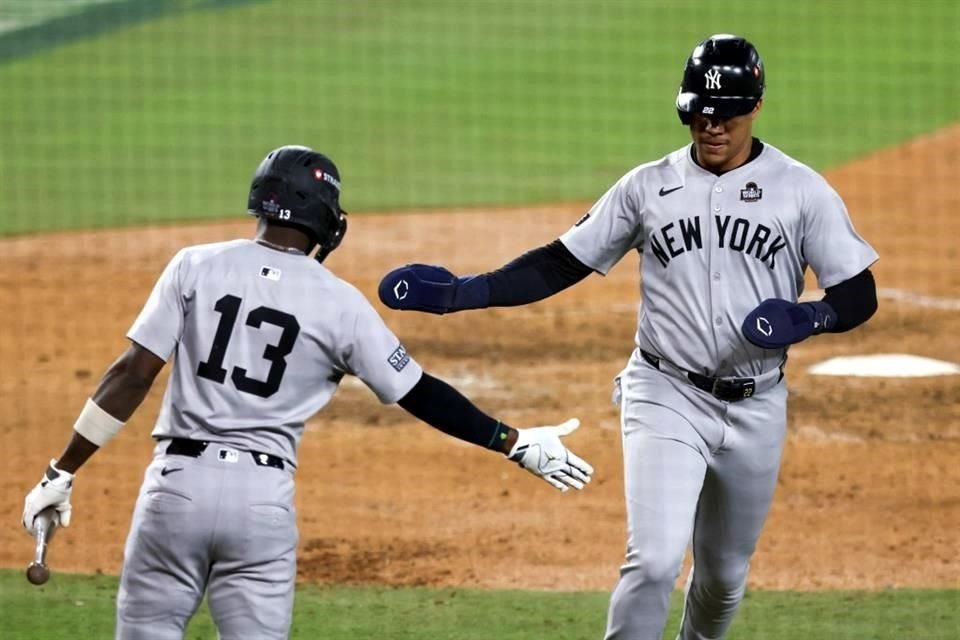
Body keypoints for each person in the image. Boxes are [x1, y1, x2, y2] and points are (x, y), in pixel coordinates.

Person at [376, 34, 879, 640]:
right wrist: (466, 292)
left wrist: (810, 318)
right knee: (655, 561)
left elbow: (858, 292)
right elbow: (560, 263)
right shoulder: (648, 186)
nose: (710, 124)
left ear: (757, 107)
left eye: (726, 112)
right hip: (666, 393)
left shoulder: (801, 190)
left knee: (722, 577)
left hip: (758, 404)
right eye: (698, 111)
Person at [21, 145, 593, 640]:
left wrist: (62, 471)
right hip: (261, 501)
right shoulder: (339, 302)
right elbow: (419, 391)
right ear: (325, 219)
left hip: (174, 493)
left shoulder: (192, 266)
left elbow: (131, 374)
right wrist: (512, 441)